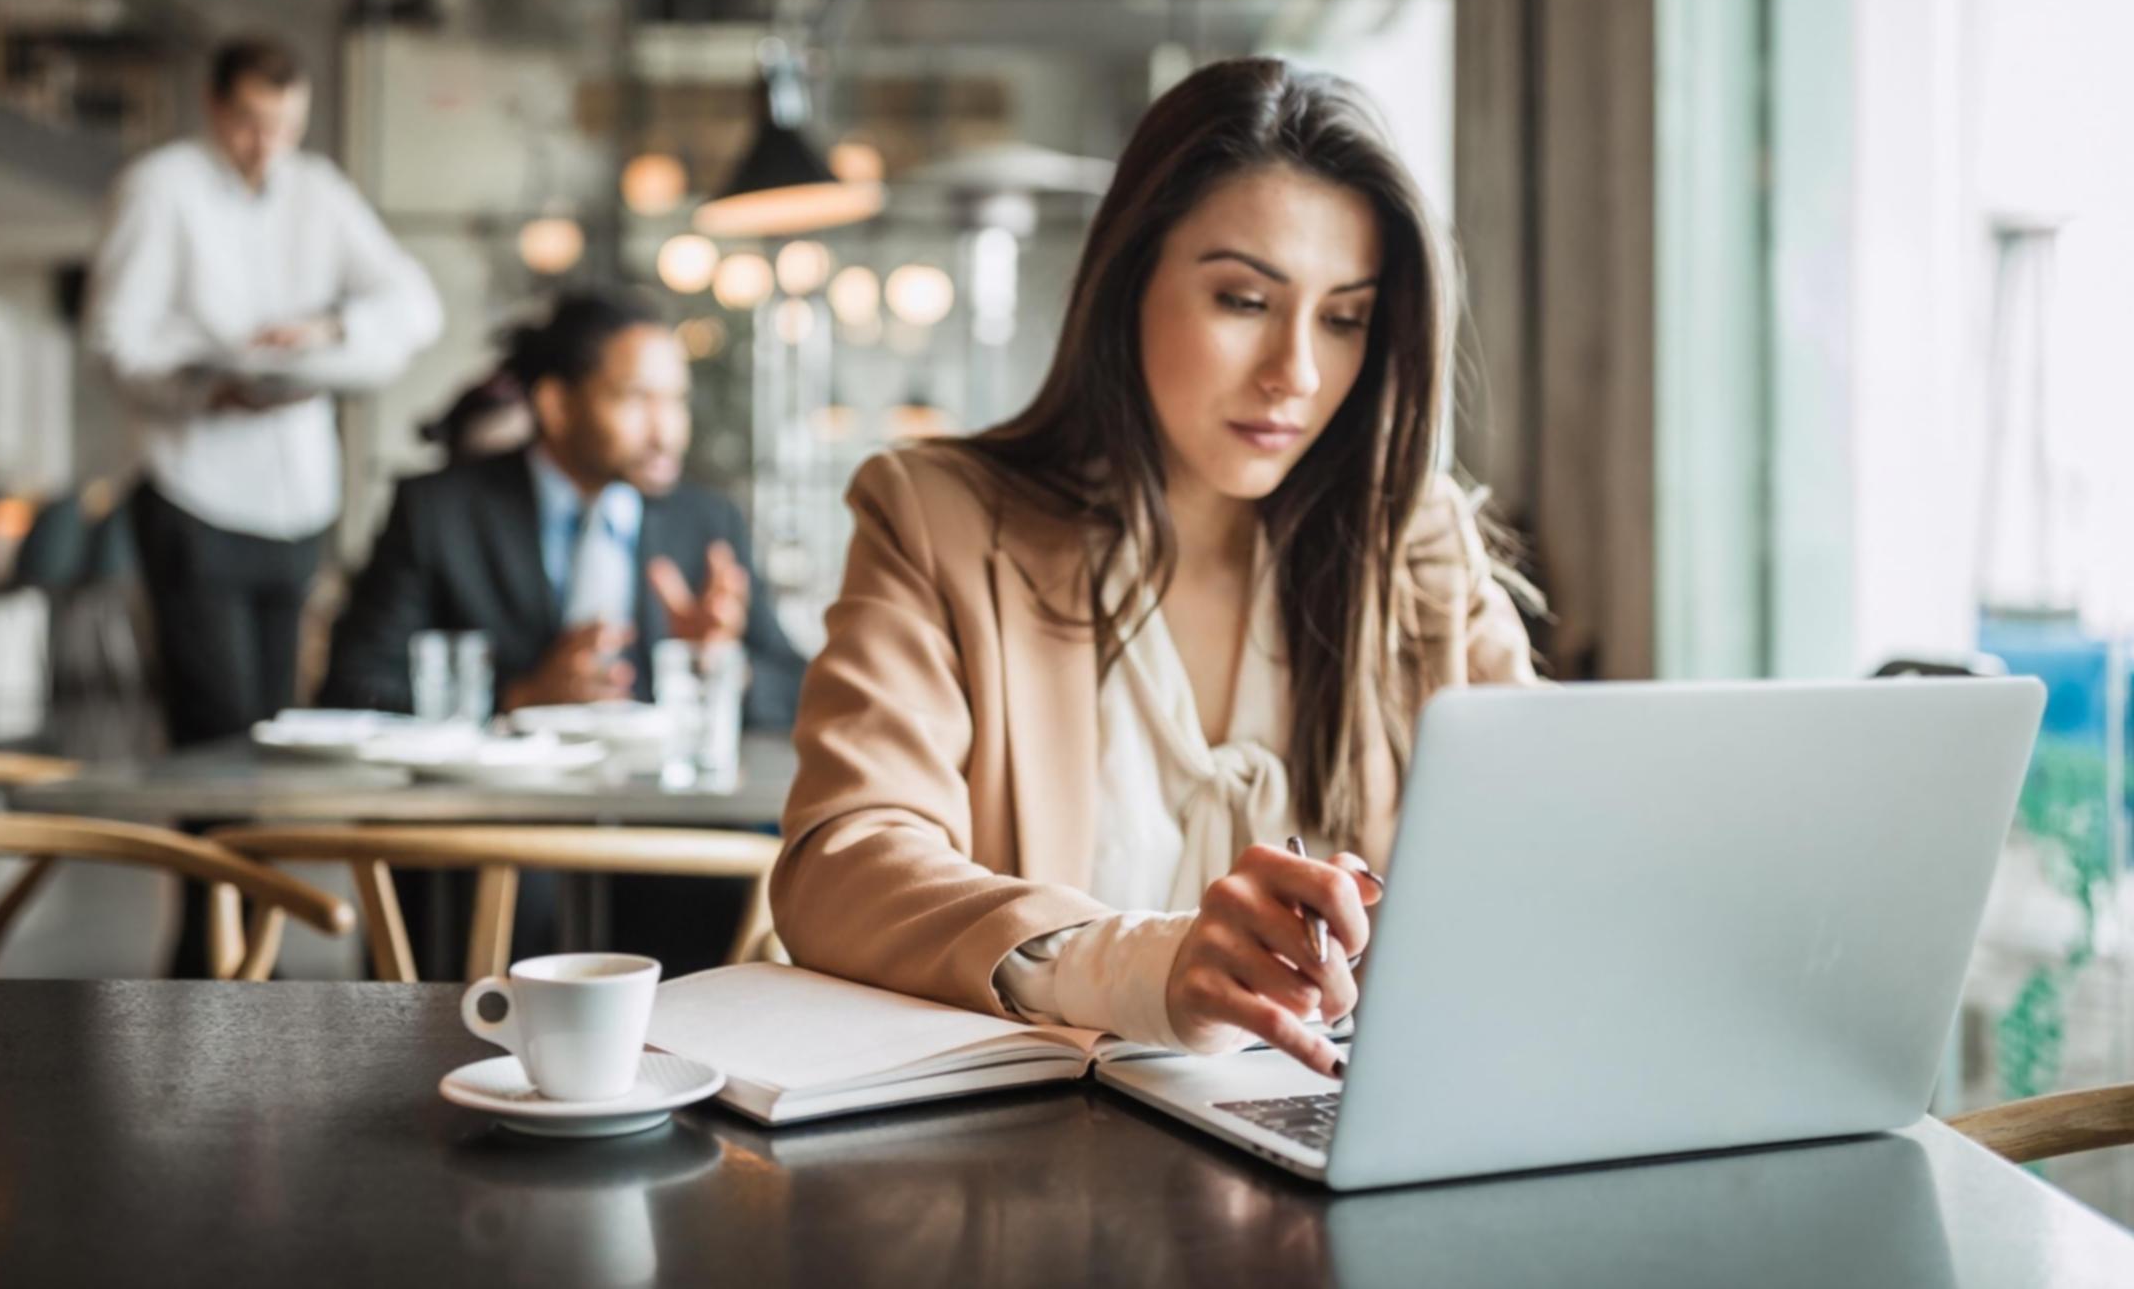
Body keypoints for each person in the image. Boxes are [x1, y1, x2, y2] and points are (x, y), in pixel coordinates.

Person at [770, 59, 1537, 1076]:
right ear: (1128, 280)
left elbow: (1547, 844)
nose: (1296, 375)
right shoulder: (941, 520)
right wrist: (1140, 963)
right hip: (1028, 1168)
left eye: (1344, 317)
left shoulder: (1417, 547)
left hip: (1333, 1147)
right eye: (1243, 298)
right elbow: (844, 862)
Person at [86, 34, 441, 971]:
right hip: (194, 491)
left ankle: (250, 946)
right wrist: (209, 387)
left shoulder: (318, 190)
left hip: (296, 505)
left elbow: (412, 302)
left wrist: (330, 326)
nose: (262, 145)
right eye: (247, 123)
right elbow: (116, 341)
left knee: (275, 740)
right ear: (213, 106)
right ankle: (213, 956)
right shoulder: (159, 187)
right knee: (215, 743)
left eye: (281, 125)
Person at [320, 288, 805, 733]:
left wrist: (718, 666)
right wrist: (519, 698)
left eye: (675, 400)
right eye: (636, 398)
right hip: (494, 816)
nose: (667, 433)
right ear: (555, 406)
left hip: (661, 817)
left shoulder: (707, 523)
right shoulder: (439, 513)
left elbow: (801, 690)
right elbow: (353, 685)